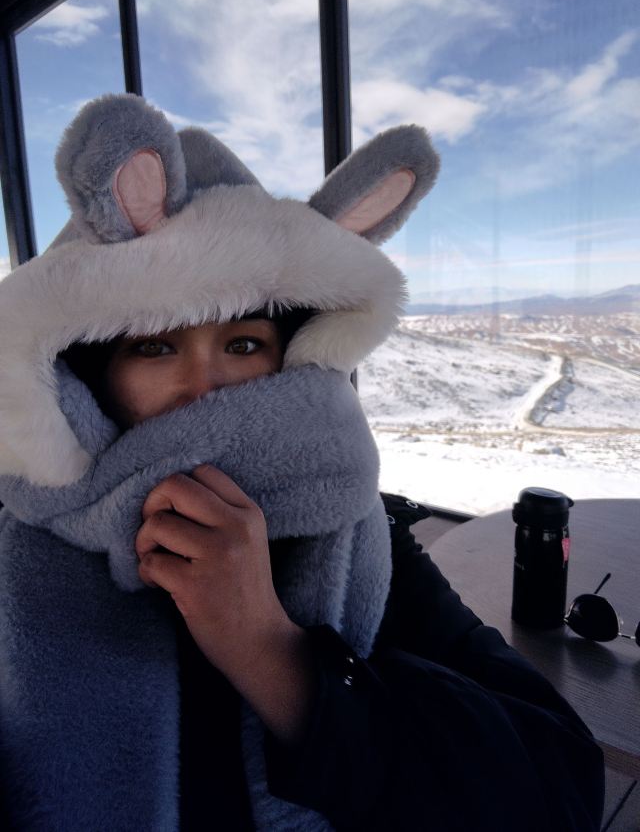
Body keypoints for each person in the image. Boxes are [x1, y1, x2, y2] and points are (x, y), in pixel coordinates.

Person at [0, 94, 604, 831]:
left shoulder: (351, 529)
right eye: (154, 346)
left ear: (289, 359)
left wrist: (275, 654)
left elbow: (559, 783)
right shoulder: (19, 551)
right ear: (88, 374)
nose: (204, 388)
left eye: (243, 344)